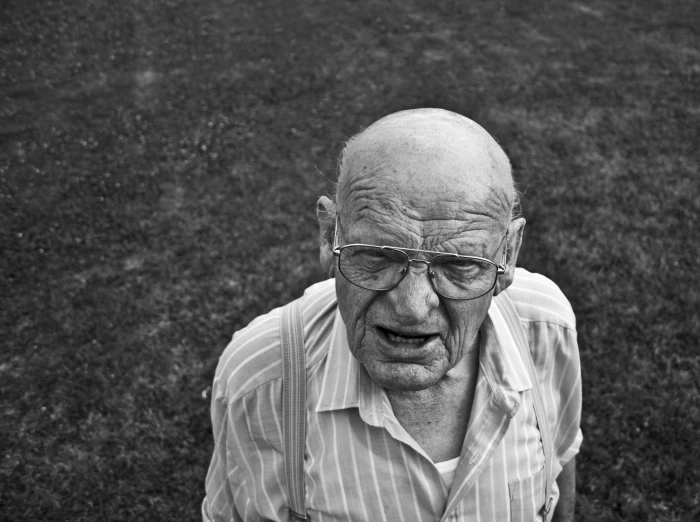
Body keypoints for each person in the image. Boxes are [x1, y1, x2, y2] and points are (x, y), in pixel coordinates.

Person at [203, 109, 582, 522]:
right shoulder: (259, 380)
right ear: (329, 232)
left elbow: (559, 464)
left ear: (507, 256)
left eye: (458, 265)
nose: (412, 306)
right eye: (378, 256)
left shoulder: (545, 327)